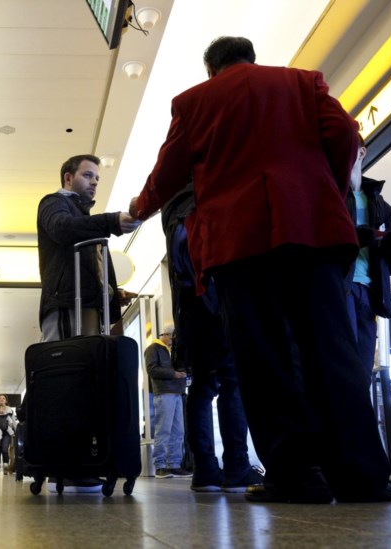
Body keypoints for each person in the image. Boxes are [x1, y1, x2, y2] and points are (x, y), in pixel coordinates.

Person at [130, 37, 391, 503]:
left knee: (264, 360)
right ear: (250, 58)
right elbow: (344, 137)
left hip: (241, 244)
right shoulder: (302, 81)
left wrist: (139, 207)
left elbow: (168, 173)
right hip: (313, 235)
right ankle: (363, 477)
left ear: (212, 69)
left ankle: (296, 477)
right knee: (332, 353)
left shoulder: (195, 101)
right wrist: (322, 191)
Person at [162, 187, 263, 492]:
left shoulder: (172, 208)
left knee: (202, 389)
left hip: (191, 310)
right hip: (219, 305)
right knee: (232, 384)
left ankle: (205, 469)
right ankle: (236, 465)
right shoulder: (209, 197)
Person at [37, 154, 139, 341]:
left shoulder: (83, 218)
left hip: (85, 305)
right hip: (66, 304)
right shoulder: (53, 202)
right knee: (66, 363)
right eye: (87, 175)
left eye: (97, 178)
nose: (94, 182)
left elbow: (89, 268)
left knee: (83, 364)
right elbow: (61, 228)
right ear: (68, 178)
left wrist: (111, 293)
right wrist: (111, 221)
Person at [345, 134, 391, 384]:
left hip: (372, 294)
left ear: (361, 152)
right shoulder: (331, 199)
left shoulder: (381, 206)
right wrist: (353, 240)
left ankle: (361, 422)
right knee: (344, 365)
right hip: (343, 288)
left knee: (361, 374)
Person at [144, 325, 190, 479]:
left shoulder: (172, 350)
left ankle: (174, 464)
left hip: (177, 391)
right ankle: (160, 465)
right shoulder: (153, 348)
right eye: (171, 337)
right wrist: (174, 374)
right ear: (164, 334)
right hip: (164, 392)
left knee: (178, 431)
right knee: (163, 430)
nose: (172, 340)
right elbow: (152, 369)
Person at [0, 403, 17, 475]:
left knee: (5, 449)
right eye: (0, 409)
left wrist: (11, 424)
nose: (2, 410)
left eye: (3, 409)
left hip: (6, 432)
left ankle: (5, 465)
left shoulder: (7, 415)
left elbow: (11, 421)